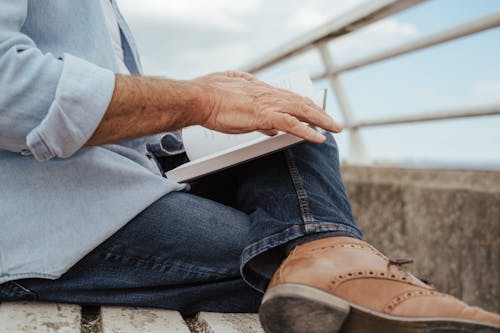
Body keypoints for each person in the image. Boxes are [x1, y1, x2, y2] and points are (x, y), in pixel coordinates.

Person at [0, 1, 498, 332]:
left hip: (109, 173)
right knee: (287, 261)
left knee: (286, 116)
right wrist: (199, 101)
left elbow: (83, 113)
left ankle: (331, 254)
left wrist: (212, 102)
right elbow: (11, 90)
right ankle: (343, 266)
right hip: (49, 212)